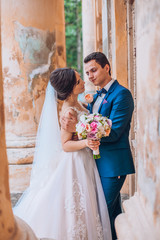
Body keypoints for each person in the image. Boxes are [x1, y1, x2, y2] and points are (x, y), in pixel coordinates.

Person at [13, 67, 112, 240]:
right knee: (74, 204)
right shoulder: (68, 112)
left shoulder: (76, 103)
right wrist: (86, 142)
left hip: (84, 158)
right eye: (79, 80)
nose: (83, 81)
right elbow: (65, 145)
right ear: (71, 87)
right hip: (74, 160)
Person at [61, 52, 135, 240]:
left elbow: (115, 130)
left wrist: (80, 133)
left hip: (113, 165)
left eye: (94, 70)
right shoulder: (93, 97)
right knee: (110, 213)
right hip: (95, 163)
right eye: (87, 73)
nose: (90, 76)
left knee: (101, 213)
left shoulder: (122, 94)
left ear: (106, 68)